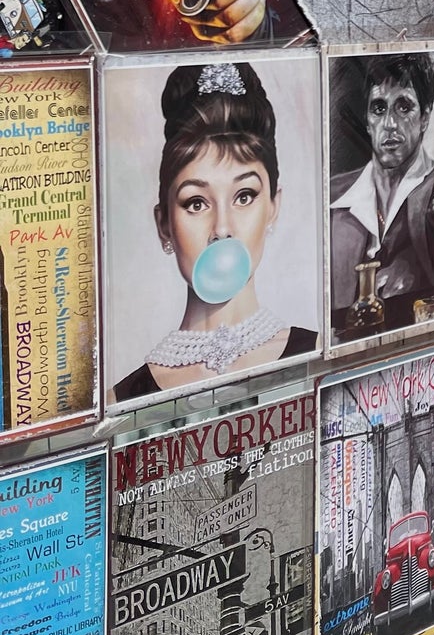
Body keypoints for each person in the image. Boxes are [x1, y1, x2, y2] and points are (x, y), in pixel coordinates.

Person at [113, 60, 316, 403]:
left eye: (244, 196)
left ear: (273, 207)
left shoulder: (318, 352)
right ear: (164, 224)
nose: (222, 228)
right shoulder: (122, 399)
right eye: (196, 203)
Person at [329, 53, 434, 335]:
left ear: (425, 117)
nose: (390, 124)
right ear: (367, 121)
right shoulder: (335, 195)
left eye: (404, 107)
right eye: (379, 109)